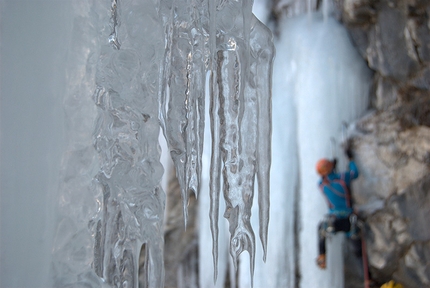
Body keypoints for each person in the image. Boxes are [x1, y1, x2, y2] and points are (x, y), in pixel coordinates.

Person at [315, 148, 360, 269]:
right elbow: (354, 173)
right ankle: (368, 279)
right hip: (348, 220)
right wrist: (350, 159)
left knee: (321, 229)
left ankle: (322, 256)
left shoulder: (321, 185)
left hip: (333, 221)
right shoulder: (343, 178)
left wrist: (331, 167)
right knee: (358, 251)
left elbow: (324, 179)